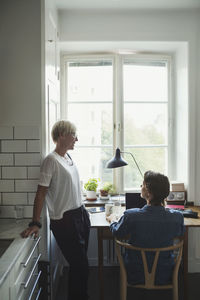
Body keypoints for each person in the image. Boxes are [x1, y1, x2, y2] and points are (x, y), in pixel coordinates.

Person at [21, 120, 90, 300]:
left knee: (81, 265)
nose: (77, 139)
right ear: (61, 135)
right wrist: (36, 223)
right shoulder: (50, 161)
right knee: (79, 264)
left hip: (80, 215)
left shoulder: (67, 158)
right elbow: (40, 194)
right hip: (65, 220)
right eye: (73, 135)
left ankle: (81, 296)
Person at [107, 170, 185, 285]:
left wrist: (113, 220)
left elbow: (117, 232)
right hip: (164, 273)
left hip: (135, 273)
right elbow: (180, 232)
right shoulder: (177, 217)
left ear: (149, 193)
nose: (140, 186)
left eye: (142, 185)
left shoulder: (131, 215)